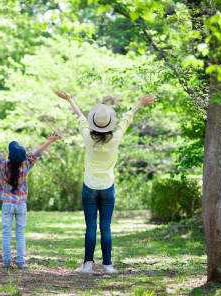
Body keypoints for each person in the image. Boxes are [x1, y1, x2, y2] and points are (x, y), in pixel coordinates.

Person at [55, 90, 156, 274]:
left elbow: (80, 116)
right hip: (108, 188)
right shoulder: (115, 138)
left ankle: (87, 264)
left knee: (91, 227)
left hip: (90, 187)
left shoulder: (87, 138)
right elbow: (127, 118)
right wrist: (139, 103)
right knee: (106, 227)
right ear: (109, 124)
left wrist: (70, 99)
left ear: (94, 123)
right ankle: (108, 265)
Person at [0, 127, 62, 269]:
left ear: (9, 156)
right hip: (21, 205)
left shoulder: (2, 164)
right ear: (22, 159)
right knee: (20, 234)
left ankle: (6, 262)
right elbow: (37, 153)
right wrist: (50, 141)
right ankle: (21, 262)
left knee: (6, 234)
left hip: (7, 204)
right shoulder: (26, 166)